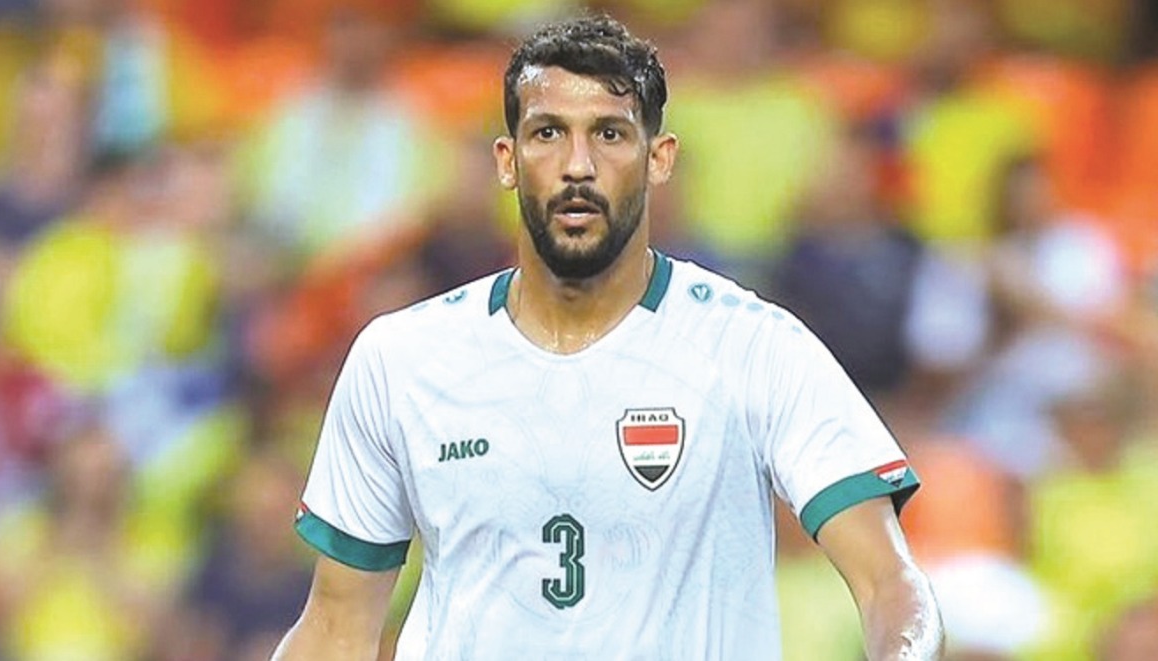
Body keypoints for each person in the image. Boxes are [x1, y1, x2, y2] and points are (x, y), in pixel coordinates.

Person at [273, 15, 943, 661]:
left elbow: (891, 585)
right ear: (507, 160)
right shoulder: (402, 359)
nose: (577, 165)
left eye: (610, 135)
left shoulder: (754, 347)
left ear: (659, 159)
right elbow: (334, 627)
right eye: (548, 133)